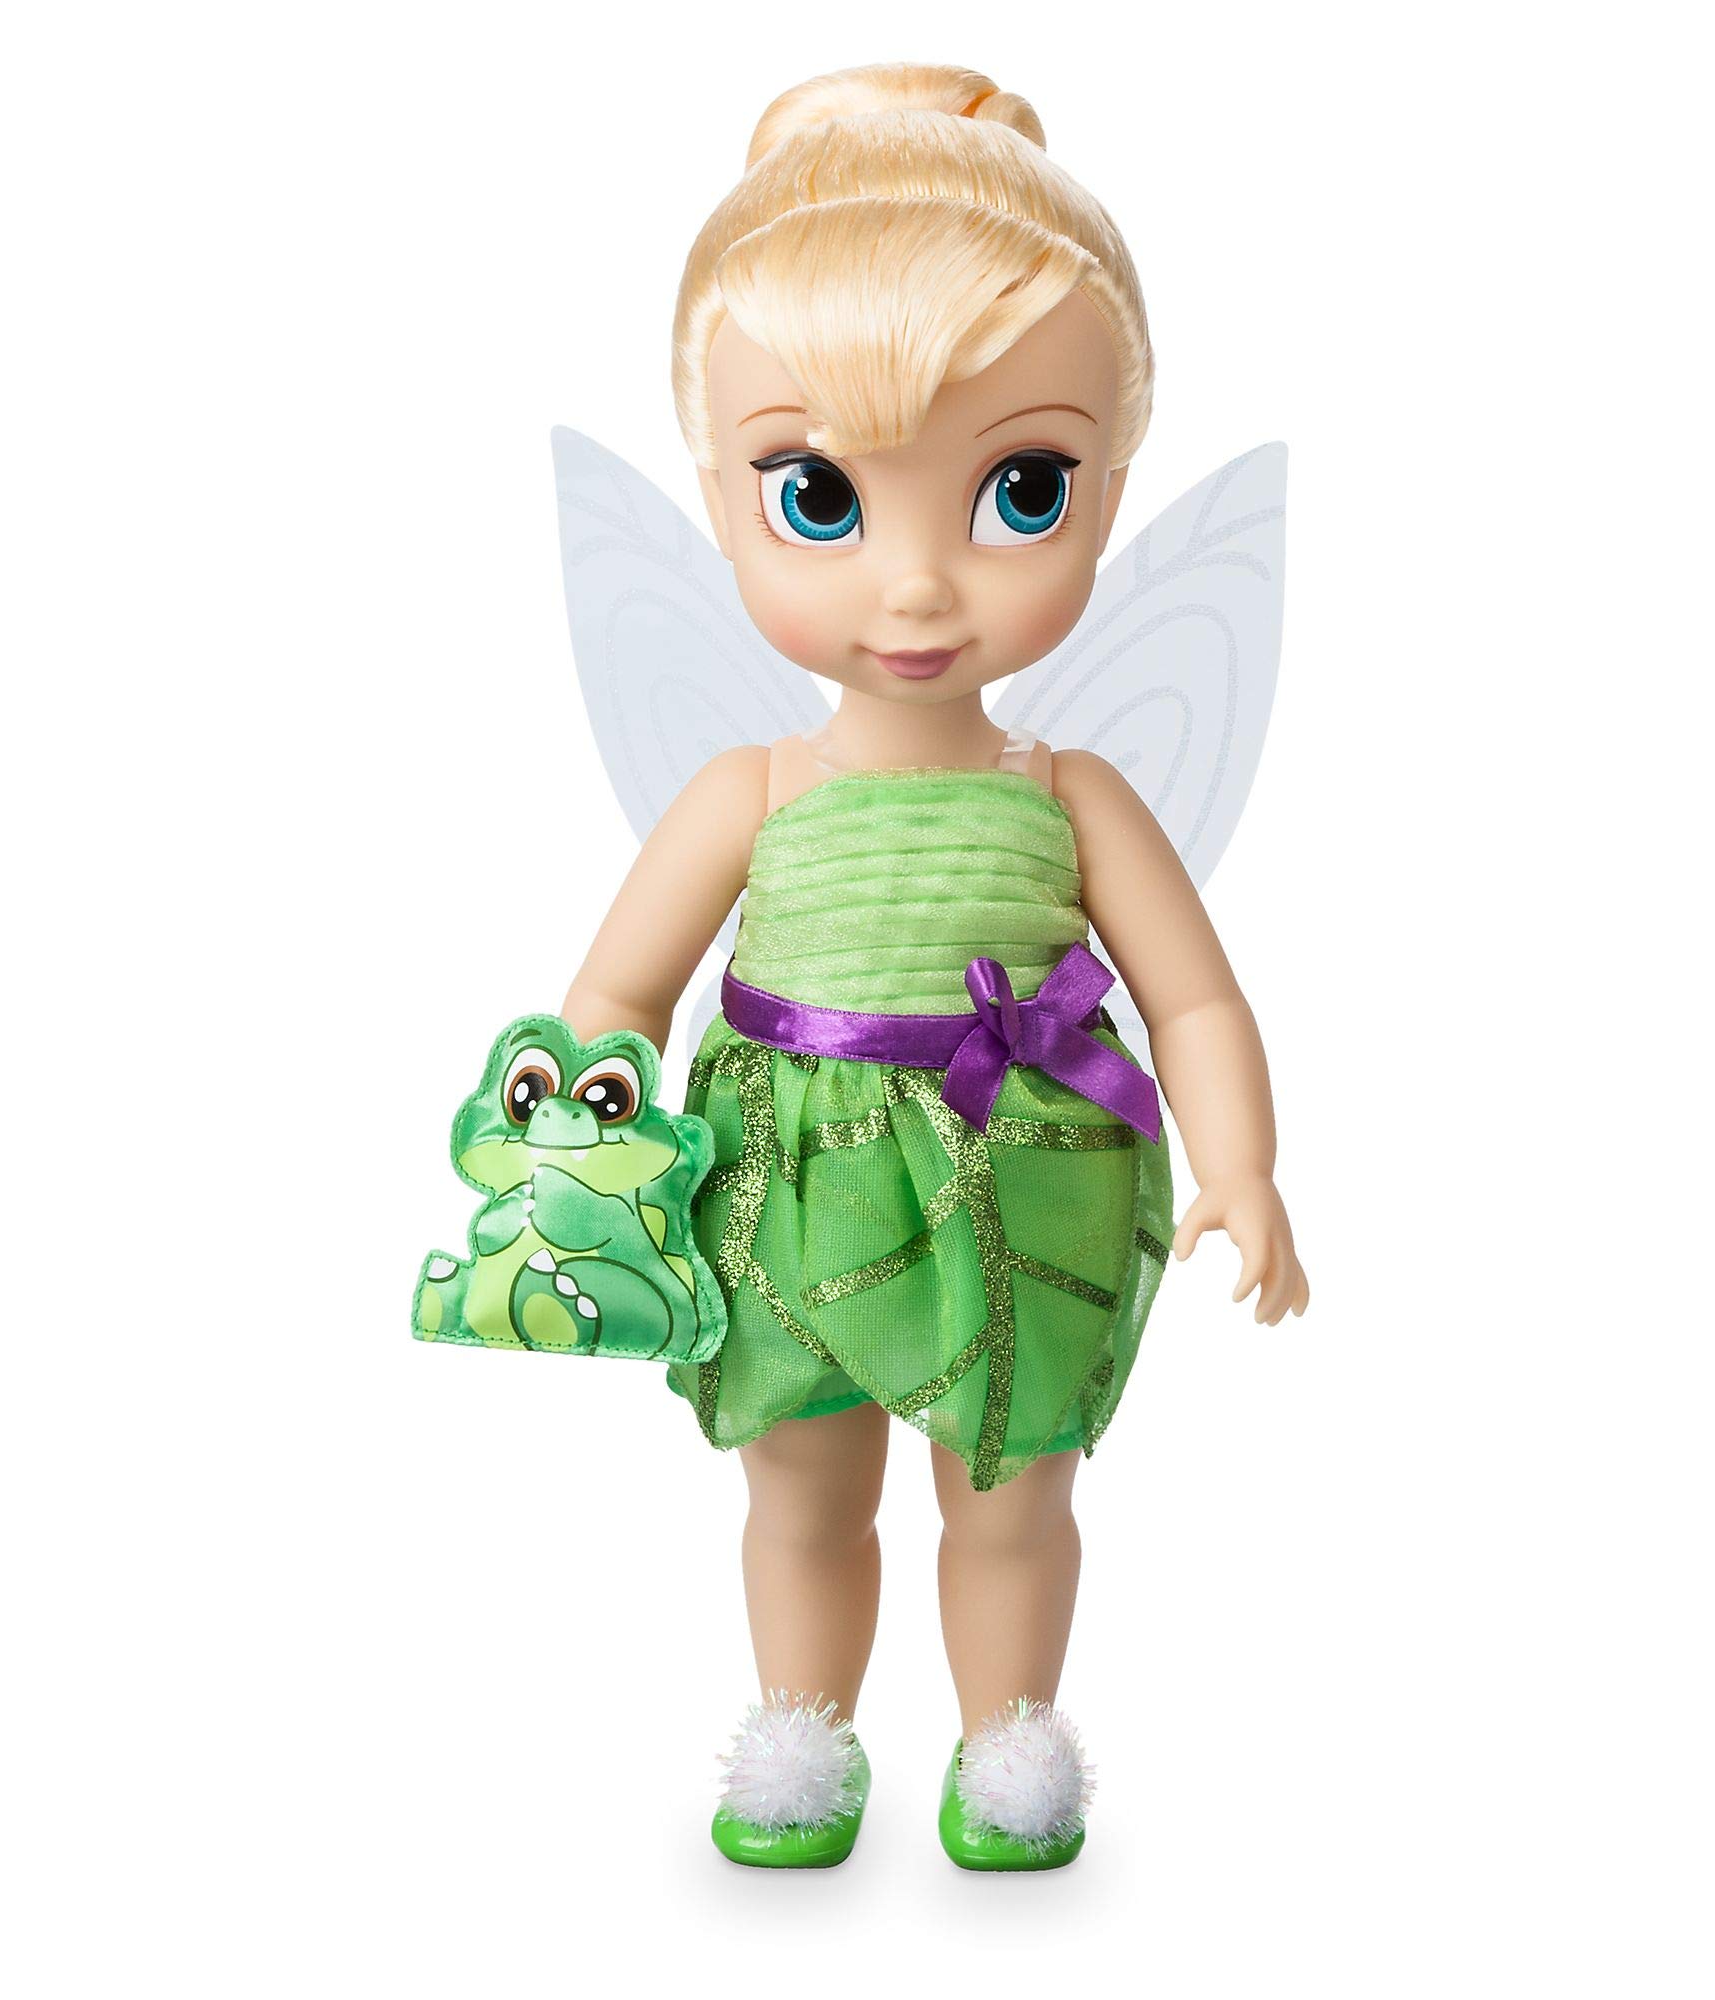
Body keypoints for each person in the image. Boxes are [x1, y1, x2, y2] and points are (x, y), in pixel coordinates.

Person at [560, 61, 1307, 1871]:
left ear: (1108, 487)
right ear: (720, 493)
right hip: (785, 1188)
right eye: (819, 496)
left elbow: (1195, 996)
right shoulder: (750, 791)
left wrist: (1244, 1166)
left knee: (1012, 1499)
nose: (914, 588)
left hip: (1021, 1181)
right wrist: (586, 1138)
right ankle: (798, 1744)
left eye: (1016, 490)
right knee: (801, 1494)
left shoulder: (1071, 794)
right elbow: (617, 995)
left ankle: (1010, 1746)